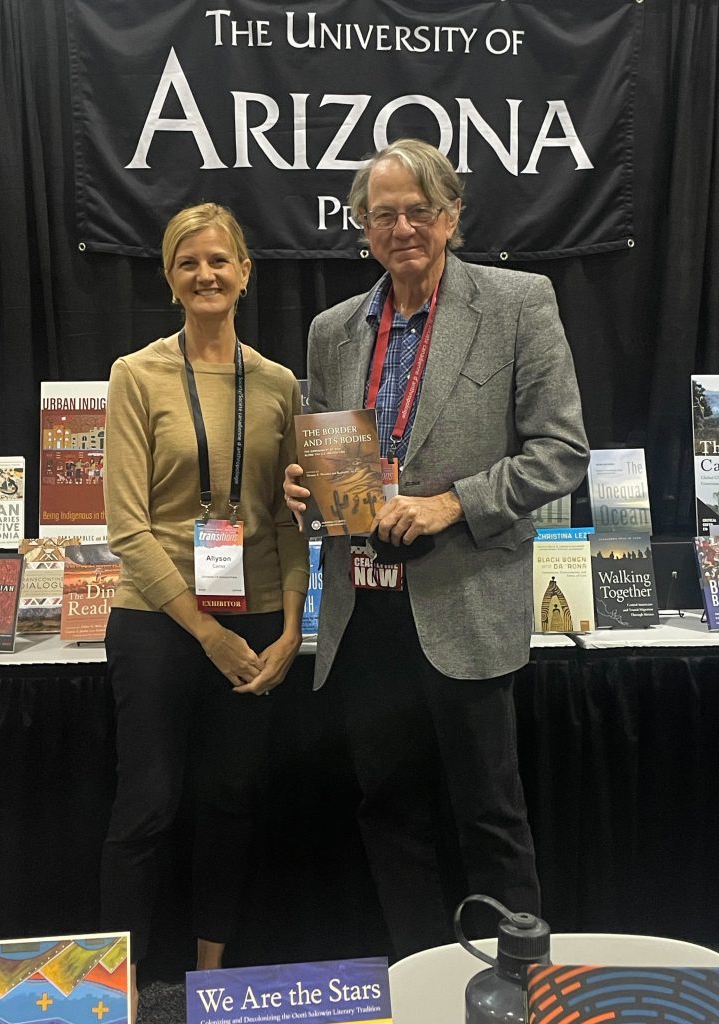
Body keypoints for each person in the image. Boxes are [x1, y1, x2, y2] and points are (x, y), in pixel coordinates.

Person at [284, 139, 589, 957]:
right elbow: (331, 460)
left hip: (464, 603)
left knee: (491, 815)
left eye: (420, 210)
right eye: (384, 214)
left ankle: (518, 985)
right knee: (388, 811)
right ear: (362, 227)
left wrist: (451, 504)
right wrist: (307, 489)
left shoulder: (518, 303)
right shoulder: (331, 331)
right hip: (364, 613)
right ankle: (422, 976)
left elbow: (561, 452)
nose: (403, 228)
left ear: (452, 216)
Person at [101, 203, 309, 1010]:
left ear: (246, 273)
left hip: (255, 620)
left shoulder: (279, 384)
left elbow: (289, 520)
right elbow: (128, 528)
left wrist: (290, 626)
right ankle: (118, 990)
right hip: (158, 620)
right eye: (189, 262)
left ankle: (210, 984)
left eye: (220, 260)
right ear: (170, 278)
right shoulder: (136, 375)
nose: (206, 274)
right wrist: (206, 631)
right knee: (147, 807)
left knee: (231, 802)